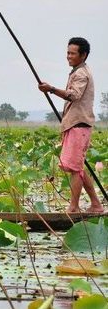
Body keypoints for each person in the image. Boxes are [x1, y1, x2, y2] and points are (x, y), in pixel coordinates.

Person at [38, 37, 104, 213]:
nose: (68, 56)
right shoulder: (77, 71)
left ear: (83, 55)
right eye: (67, 53)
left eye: (72, 53)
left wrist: (51, 89)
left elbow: (73, 95)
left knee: (75, 169)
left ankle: (73, 208)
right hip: (75, 125)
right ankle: (96, 205)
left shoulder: (81, 73)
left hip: (79, 125)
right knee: (78, 168)